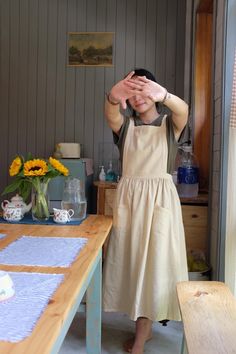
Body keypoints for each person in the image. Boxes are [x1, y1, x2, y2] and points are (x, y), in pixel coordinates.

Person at [102, 68, 189, 354]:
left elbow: (183, 110)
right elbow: (112, 115)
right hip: (130, 204)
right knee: (132, 265)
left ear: (154, 93)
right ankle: (144, 329)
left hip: (160, 203)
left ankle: (142, 335)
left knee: (154, 267)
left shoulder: (169, 125)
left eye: (144, 90)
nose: (138, 98)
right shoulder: (126, 127)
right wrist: (113, 97)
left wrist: (163, 94)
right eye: (133, 92)